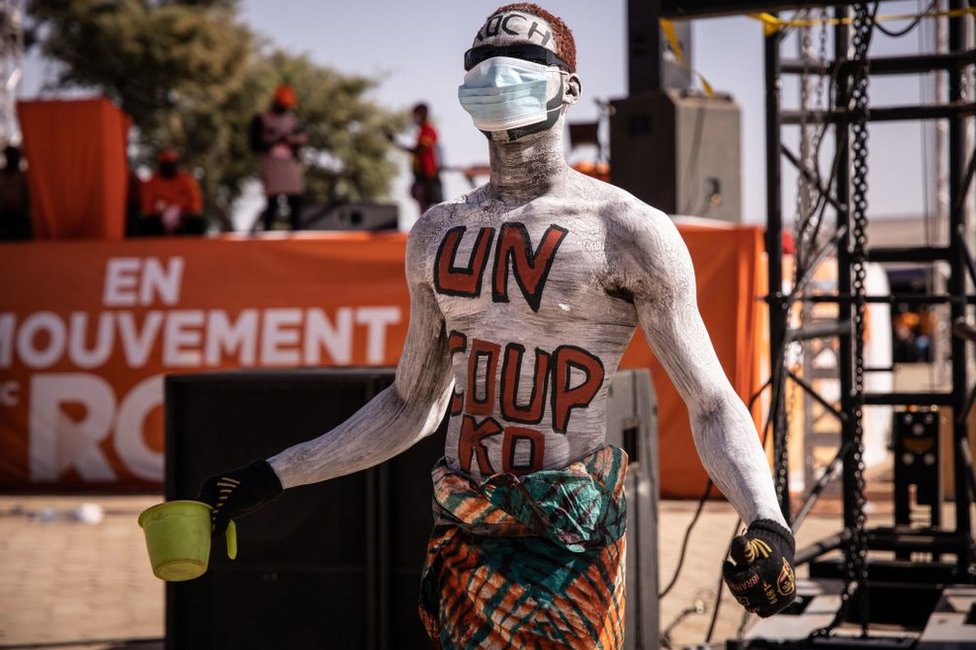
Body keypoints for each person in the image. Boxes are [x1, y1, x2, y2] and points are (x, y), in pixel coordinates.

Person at [198, 4, 796, 647]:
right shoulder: (436, 231)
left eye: (522, 60)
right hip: (463, 527)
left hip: (567, 539)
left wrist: (766, 520)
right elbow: (412, 402)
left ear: (568, 85)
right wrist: (276, 473)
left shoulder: (626, 231)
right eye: (480, 61)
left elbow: (709, 401)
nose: (495, 73)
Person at [250, 84, 308, 231]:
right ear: (276, 101)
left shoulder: (292, 120)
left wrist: (295, 142)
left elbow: (298, 142)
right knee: (273, 202)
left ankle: (296, 234)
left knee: (295, 199)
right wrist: (276, 141)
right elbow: (254, 144)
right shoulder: (261, 118)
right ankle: (267, 234)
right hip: (271, 165)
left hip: (289, 165)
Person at [387, 102, 444, 215]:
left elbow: (419, 150)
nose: (414, 118)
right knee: (424, 210)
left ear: (423, 114)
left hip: (429, 177)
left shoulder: (428, 130)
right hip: (421, 177)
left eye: (416, 114)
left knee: (438, 211)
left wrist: (396, 143)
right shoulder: (422, 131)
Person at [138, 149, 205, 236]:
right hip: (159, 220)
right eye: (166, 164)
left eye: (171, 164)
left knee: (198, 222)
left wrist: (181, 211)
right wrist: (161, 213)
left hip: (182, 218)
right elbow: (147, 207)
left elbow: (195, 202)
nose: (169, 167)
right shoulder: (152, 182)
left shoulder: (186, 180)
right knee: (144, 224)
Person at [0, 144, 30, 240]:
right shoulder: (1, 176)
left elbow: (26, 197)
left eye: (15, 157)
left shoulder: (23, 177)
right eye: (10, 156)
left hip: (19, 214)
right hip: (4, 214)